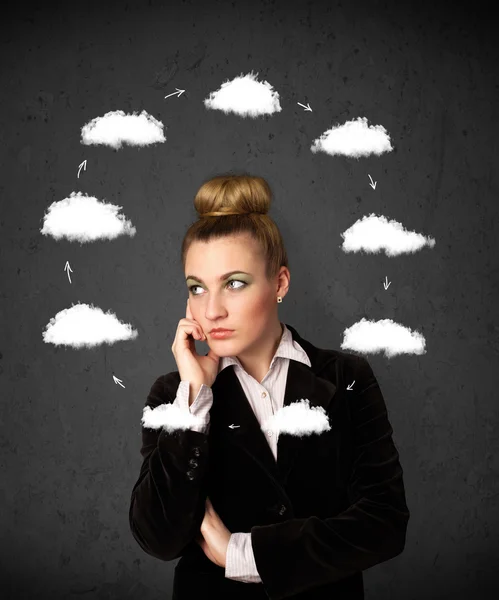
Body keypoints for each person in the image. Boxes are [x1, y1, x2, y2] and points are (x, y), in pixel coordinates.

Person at [129, 172, 410, 600]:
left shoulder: (346, 378)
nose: (213, 309)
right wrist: (193, 400)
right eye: (197, 288)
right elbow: (160, 538)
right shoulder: (175, 395)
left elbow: (385, 524)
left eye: (234, 283)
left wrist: (242, 553)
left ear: (279, 283)